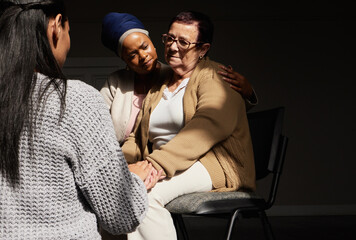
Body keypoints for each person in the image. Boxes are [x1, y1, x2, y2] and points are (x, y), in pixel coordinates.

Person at [0, 1, 160, 239]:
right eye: (68, 31)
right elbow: (121, 216)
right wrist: (134, 179)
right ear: (56, 27)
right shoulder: (75, 100)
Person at [121, 11, 256, 240]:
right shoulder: (160, 84)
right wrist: (118, 166)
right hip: (169, 162)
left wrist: (154, 164)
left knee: (141, 194)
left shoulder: (216, 77)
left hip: (210, 162)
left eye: (183, 42)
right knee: (112, 192)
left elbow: (207, 127)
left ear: (203, 49)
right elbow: (138, 136)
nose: (173, 47)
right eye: (170, 39)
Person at [100, 12, 257, 146]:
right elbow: (95, 122)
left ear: (153, 44)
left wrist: (248, 93)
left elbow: (219, 109)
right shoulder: (116, 82)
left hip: (168, 158)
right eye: (132, 55)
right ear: (125, 61)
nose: (143, 56)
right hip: (124, 157)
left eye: (145, 46)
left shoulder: (176, 74)